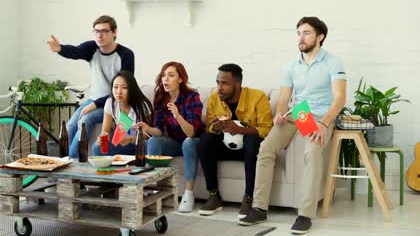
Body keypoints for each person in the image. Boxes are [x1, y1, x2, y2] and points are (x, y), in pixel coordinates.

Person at [239, 17, 347, 235]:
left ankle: (305, 214)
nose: (301, 37)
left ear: (320, 36)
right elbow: (284, 97)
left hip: (321, 116)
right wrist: (279, 113)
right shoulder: (291, 66)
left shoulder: (333, 63)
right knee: (266, 148)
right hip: (300, 112)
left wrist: (324, 124)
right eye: (299, 33)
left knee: (312, 151)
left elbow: (340, 98)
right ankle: (259, 208)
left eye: (306, 33)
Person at [47, 15, 135, 158]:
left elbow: (125, 88)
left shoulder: (126, 55)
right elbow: (75, 51)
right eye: (96, 31)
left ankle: (74, 165)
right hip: (93, 100)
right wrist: (60, 48)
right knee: (69, 126)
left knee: (85, 120)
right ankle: (56, 165)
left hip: (114, 103)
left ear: (114, 32)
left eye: (104, 31)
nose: (99, 35)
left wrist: (95, 104)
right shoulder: (92, 48)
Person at [197, 63, 273, 218]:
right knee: (205, 140)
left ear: (237, 84)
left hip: (249, 150)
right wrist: (216, 127)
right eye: (218, 82)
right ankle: (213, 195)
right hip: (225, 147)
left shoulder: (258, 97)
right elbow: (210, 127)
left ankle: (249, 198)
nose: (219, 87)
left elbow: (267, 129)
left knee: (253, 140)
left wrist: (240, 130)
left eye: (224, 83)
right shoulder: (214, 98)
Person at [137, 61, 204, 213]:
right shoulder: (161, 98)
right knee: (154, 141)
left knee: (187, 142)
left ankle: (188, 194)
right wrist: (148, 129)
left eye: (171, 75)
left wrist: (177, 115)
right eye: (163, 76)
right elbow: (159, 131)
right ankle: (153, 189)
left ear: (180, 79)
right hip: (174, 142)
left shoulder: (192, 97)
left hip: (193, 142)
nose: (165, 79)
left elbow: (191, 133)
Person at [92, 71, 153, 156]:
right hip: (122, 143)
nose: (119, 92)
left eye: (124, 88)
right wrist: (103, 138)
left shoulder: (141, 105)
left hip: (140, 144)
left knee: (149, 146)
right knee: (97, 148)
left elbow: (147, 135)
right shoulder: (110, 103)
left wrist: (129, 139)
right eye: (115, 87)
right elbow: (105, 130)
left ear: (131, 89)